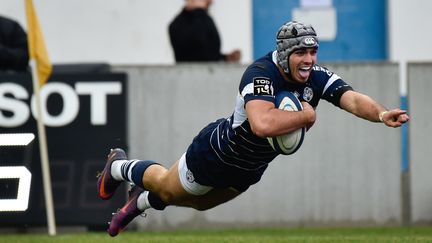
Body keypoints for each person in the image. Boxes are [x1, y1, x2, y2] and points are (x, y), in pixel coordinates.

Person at [97, 21, 409, 237]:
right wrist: (306, 116)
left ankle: (139, 199)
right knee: (167, 185)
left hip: (249, 169)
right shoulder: (260, 73)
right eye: (302, 53)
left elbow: (350, 98)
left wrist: (381, 113)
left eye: (313, 53)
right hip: (216, 153)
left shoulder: (313, 74)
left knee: (199, 203)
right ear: (286, 54)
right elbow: (262, 125)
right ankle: (119, 166)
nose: (309, 60)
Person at [168, 0, 241, 62]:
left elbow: (209, 54)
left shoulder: (204, 19)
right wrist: (199, 10)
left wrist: (226, 58)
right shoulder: (178, 25)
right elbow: (196, 51)